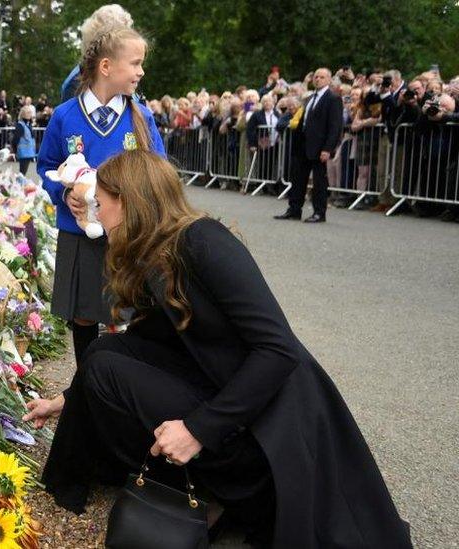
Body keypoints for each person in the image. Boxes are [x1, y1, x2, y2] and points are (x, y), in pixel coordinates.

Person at [26, 148, 414, 548]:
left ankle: (229, 493)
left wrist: (197, 430)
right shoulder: (160, 252)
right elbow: (145, 341)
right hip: (229, 396)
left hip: (268, 429)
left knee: (107, 369)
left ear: (128, 201)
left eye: (101, 204)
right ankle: (166, 479)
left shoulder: (203, 241)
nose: (96, 214)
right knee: (106, 353)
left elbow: (278, 349)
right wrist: (70, 398)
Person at [34, 4, 166, 423]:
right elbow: (45, 166)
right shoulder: (65, 116)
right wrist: (65, 192)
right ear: (106, 66)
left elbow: (159, 172)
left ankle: (121, 394)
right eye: (136, 64)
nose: (141, 72)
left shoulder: (141, 117)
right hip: (80, 235)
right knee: (85, 314)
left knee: (129, 315)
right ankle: (84, 393)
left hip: (130, 237)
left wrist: (135, 202)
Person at [274, 68, 343, 223]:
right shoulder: (310, 98)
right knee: (297, 178)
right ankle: (294, 209)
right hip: (303, 145)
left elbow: (335, 126)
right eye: (316, 77)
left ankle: (319, 212)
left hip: (319, 146)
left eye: (322, 77)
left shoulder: (333, 99)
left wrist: (328, 148)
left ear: (329, 80)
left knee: (319, 181)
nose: (318, 79)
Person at [11, 105, 38, 175]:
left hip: (28, 152)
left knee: (23, 172)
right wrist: (14, 151)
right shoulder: (20, 125)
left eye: (30, 112)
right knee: (22, 172)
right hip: (23, 152)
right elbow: (15, 139)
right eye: (28, 113)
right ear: (23, 114)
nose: (30, 114)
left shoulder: (28, 124)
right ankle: (20, 184)